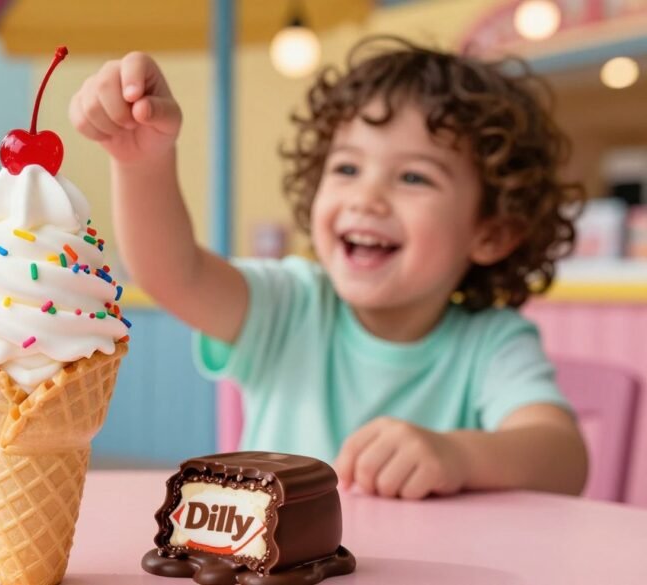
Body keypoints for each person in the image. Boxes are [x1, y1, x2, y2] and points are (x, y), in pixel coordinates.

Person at [69, 35, 588, 500]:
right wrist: (141, 162)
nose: (366, 197)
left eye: (413, 177)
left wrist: (459, 456)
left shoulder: (492, 343)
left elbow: (565, 458)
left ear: (491, 233)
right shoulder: (290, 305)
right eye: (347, 167)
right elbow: (173, 274)